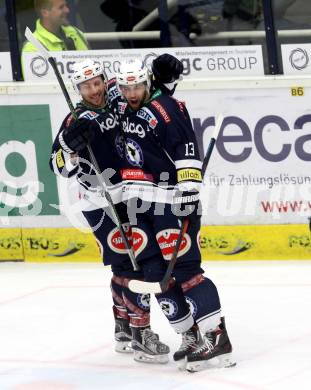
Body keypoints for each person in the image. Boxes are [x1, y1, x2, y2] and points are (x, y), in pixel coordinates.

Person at [114, 58, 236, 372]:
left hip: (170, 202)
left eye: (137, 85)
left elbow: (185, 147)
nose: (131, 92)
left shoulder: (165, 108)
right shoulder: (125, 104)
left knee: (185, 271)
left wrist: (189, 190)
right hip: (139, 202)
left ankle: (217, 338)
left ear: (148, 82)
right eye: (125, 87)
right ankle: (191, 336)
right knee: (155, 275)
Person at [49, 58, 170, 364]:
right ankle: (141, 333)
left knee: (127, 264)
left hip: (129, 193)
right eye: (85, 86)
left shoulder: (117, 98)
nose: (93, 90)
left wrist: (164, 75)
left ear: (105, 80)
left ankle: (123, 326)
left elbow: (141, 86)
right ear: (78, 89)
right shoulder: (74, 119)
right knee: (131, 264)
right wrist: (69, 147)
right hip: (99, 202)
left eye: (97, 82)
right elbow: (57, 166)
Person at [22, 0, 88, 53]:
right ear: (45, 13)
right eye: (61, 7)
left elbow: (90, 66)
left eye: (66, 5)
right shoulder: (32, 47)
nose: (67, 10)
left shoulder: (75, 33)